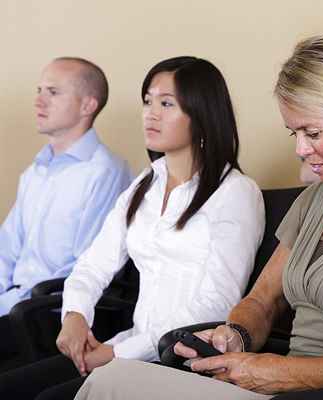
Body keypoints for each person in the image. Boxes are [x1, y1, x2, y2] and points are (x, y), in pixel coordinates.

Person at [74, 35, 323, 400]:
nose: (301, 150)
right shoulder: (316, 200)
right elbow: (262, 302)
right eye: (294, 134)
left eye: (313, 133)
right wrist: (233, 334)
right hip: (279, 384)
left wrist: (286, 373)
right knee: (110, 381)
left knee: (109, 384)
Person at [0, 56, 265, 400]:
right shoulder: (145, 184)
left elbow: (216, 304)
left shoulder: (235, 192)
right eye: (147, 101)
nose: (150, 113)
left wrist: (118, 353)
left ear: (201, 114)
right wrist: (76, 315)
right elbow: (94, 263)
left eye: (166, 104)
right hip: (129, 348)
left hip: (179, 357)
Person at [0, 57, 131, 355]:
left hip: (47, 312)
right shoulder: (35, 172)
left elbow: (85, 267)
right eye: (39, 90)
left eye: (53, 92)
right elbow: (6, 251)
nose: (38, 101)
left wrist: (8, 303)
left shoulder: (106, 172)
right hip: (13, 305)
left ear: (88, 106)